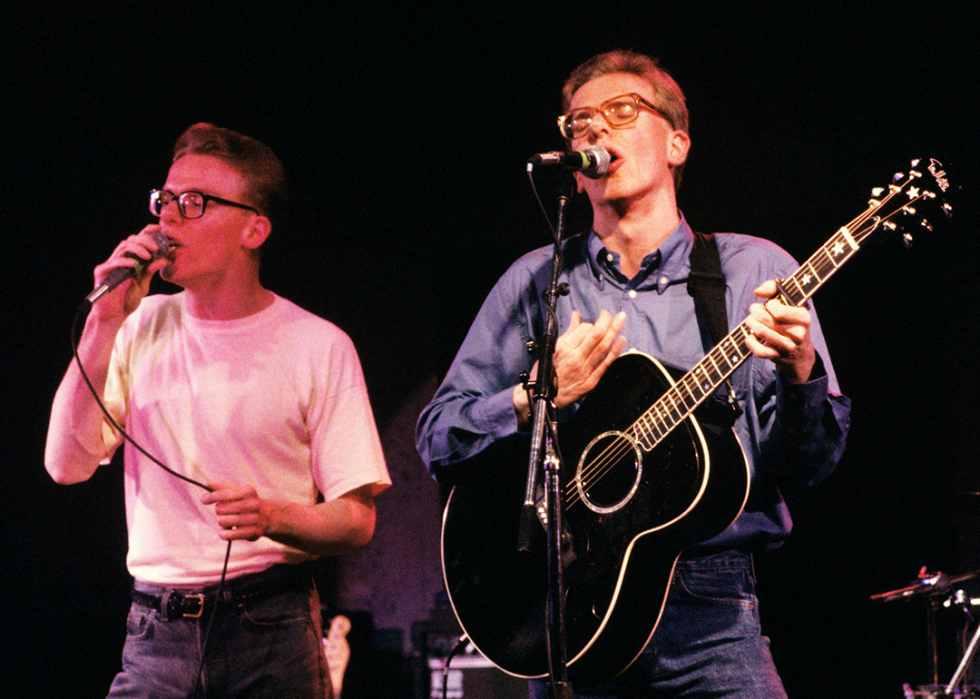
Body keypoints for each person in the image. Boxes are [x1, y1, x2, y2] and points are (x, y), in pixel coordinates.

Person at [415, 50, 850, 698]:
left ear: (677, 142)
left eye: (622, 111)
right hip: (567, 608)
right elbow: (436, 436)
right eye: (578, 122)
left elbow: (809, 463)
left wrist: (799, 369)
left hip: (715, 612)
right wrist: (535, 396)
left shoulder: (753, 272)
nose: (594, 131)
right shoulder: (536, 282)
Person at [45, 123, 391, 698]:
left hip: (272, 626)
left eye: (194, 203)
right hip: (157, 629)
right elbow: (65, 465)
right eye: (165, 200)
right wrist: (105, 320)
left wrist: (272, 515)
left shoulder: (318, 343)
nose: (167, 219)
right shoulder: (137, 328)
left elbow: (356, 520)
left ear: (253, 229)